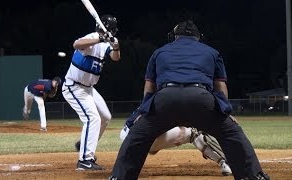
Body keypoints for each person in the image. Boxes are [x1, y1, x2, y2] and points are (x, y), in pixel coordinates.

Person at [109, 20, 269, 180]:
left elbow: (149, 87)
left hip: (166, 99)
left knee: (137, 136)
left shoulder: (159, 52)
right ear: (199, 37)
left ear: (174, 37)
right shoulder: (212, 52)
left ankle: (118, 177)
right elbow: (220, 86)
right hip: (200, 98)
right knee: (232, 133)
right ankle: (254, 176)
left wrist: (144, 112)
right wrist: (225, 111)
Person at [62, 14, 120, 171]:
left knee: (105, 117)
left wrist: (115, 46)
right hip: (74, 86)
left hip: (88, 88)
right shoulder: (93, 38)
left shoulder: (106, 43)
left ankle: (84, 143)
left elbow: (115, 58)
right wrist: (101, 38)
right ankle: (85, 160)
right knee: (92, 118)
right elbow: (76, 44)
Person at [119, 101, 232, 176]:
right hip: (144, 136)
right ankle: (225, 163)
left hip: (127, 136)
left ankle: (126, 169)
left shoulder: (152, 98)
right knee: (194, 132)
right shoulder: (171, 99)